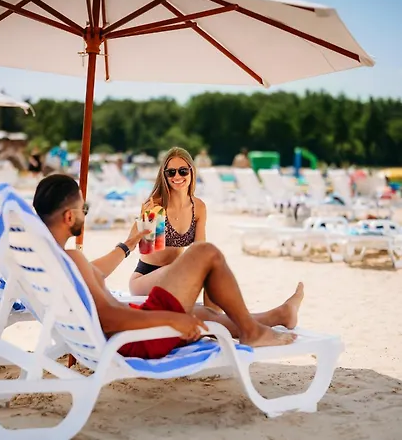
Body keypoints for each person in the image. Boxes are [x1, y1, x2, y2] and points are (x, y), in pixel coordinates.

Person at [32, 174, 302, 360]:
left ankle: (277, 316)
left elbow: (95, 274)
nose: (85, 214)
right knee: (204, 252)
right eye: (84, 209)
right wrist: (171, 319)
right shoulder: (71, 259)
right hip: (135, 339)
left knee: (203, 313)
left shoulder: (53, 259)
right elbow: (109, 318)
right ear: (69, 217)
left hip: (129, 329)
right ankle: (252, 333)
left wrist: (129, 244)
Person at [129, 147, 219, 312]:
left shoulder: (198, 207)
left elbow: (199, 249)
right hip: (146, 276)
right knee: (175, 270)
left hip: (177, 274)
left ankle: (213, 315)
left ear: (191, 171)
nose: (177, 177)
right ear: (164, 175)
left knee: (212, 271)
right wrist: (148, 220)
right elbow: (146, 249)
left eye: (183, 171)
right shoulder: (156, 204)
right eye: (171, 172)